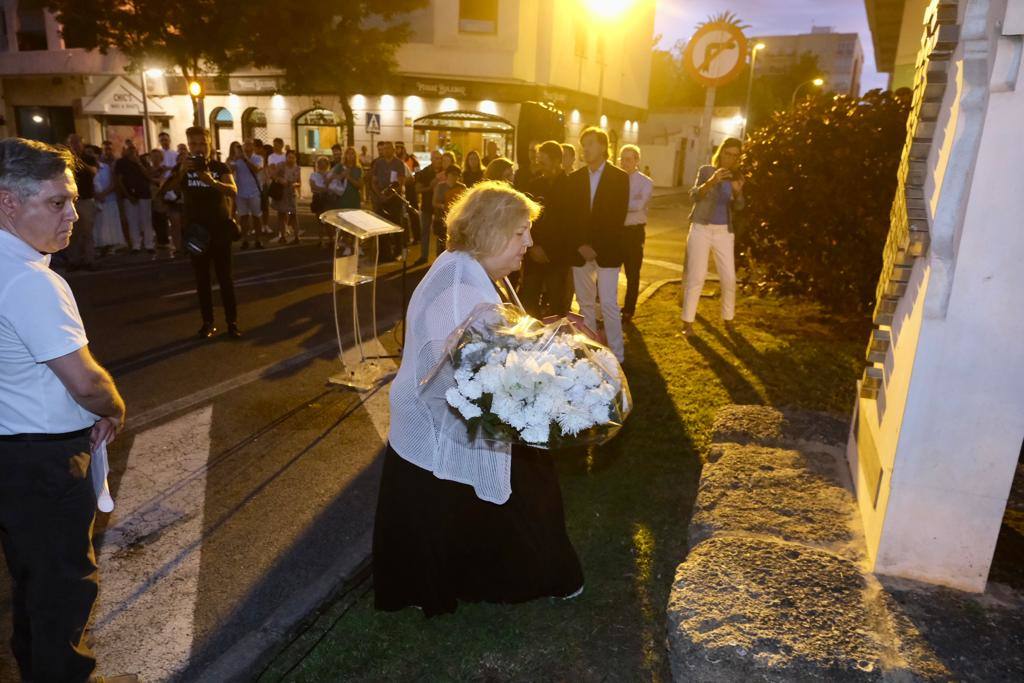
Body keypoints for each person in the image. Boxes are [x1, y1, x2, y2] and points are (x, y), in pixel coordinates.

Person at [373, 180, 583, 617]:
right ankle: (537, 576)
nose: (529, 242)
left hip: (448, 409)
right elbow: (477, 366)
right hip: (437, 416)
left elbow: (492, 341)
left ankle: (532, 572)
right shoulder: (461, 283)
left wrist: (548, 330)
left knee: (521, 480)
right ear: (490, 231)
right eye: (521, 232)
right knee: (526, 481)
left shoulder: (471, 269)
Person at [0, 138, 131, 683]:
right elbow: (85, 380)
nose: (73, 214)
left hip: (13, 457)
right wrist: (115, 407)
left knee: (33, 585)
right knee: (62, 590)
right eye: (57, 202)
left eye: (73, 200)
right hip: (44, 464)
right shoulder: (31, 281)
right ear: (8, 202)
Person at [162, 126, 241, 339]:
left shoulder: (218, 166)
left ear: (210, 144)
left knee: (225, 279)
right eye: (194, 144)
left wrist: (212, 181)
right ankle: (208, 323)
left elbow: (233, 190)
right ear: (188, 146)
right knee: (202, 280)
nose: (199, 148)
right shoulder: (183, 168)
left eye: (202, 143)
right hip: (196, 232)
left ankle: (232, 323)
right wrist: (182, 173)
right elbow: (167, 191)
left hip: (220, 229)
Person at [566, 126, 629, 362]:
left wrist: (597, 247)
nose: (585, 149)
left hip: (608, 251)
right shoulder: (576, 178)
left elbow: (616, 217)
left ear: (603, 146)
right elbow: (570, 217)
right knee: (585, 306)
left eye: (590, 143)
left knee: (609, 304)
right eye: (583, 144)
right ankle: (590, 353)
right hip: (579, 251)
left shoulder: (620, 178)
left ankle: (617, 357)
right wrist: (581, 244)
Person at [681, 137, 745, 335]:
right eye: (728, 154)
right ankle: (687, 322)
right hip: (701, 227)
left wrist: (738, 193)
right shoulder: (707, 170)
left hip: (724, 231)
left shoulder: (737, 176)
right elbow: (694, 195)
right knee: (696, 276)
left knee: (729, 278)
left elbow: (740, 206)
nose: (730, 159)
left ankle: (728, 318)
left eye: (735, 156)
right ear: (721, 152)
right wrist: (712, 181)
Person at [520, 140, 572, 318]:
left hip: (558, 257)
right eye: (538, 161)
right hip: (534, 254)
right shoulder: (534, 185)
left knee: (558, 306)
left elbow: (569, 224)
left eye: (543, 161)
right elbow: (528, 218)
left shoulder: (571, 186)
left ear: (557, 160)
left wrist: (549, 250)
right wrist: (533, 247)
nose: (539, 165)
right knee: (527, 303)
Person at [618, 144, 653, 325]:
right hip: (616, 232)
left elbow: (637, 207)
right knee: (608, 272)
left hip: (634, 233)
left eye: (629, 159)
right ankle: (606, 308)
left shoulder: (645, 182)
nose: (625, 163)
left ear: (637, 161)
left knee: (632, 274)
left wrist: (618, 206)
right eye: (622, 159)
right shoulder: (614, 180)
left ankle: (628, 311)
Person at [115, 142, 155, 254]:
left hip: (144, 194)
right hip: (129, 196)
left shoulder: (142, 160)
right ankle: (136, 245)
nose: (132, 151)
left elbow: (149, 176)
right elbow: (119, 180)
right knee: (132, 221)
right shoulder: (121, 162)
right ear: (125, 150)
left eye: (133, 149)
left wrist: (138, 163)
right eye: (129, 149)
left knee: (146, 220)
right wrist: (127, 195)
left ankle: (149, 245)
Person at [65, 134, 96, 270]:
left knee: (87, 232)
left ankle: (89, 260)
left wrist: (79, 160)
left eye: (78, 143)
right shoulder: (65, 159)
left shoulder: (89, 158)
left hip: (86, 199)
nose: (75, 145)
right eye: (72, 143)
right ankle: (74, 261)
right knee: (73, 233)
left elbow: (93, 171)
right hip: (71, 200)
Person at [230, 140, 265, 250]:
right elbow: (229, 170)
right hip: (241, 193)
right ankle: (245, 240)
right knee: (243, 217)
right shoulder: (237, 159)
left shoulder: (258, 158)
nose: (247, 147)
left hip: (254, 192)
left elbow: (256, 169)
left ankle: (258, 240)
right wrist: (234, 159)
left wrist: (245, 159)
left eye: (250, 145)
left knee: (256, 217)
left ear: (253, 147)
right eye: (245, 145)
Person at [93, 140, 124, 255]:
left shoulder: (108, 166)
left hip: (109, 198)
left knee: (111, 223)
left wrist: (104, 194)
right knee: (99, 225)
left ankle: (111, 245)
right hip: (96, 200)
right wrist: (97, 195)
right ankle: (100, 246)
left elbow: (113, 183)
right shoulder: (91, 168)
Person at [414, 150, 442, 265]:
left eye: (440, 158)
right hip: (427, 205)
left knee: (440, 232)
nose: (439, 161)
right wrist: (430, 187)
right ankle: (424, 256)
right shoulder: (425, 172)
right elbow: (417, 189)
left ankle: (439, 257)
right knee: (425, 231)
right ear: (431, 160)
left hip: (440, 206)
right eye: (436, 158)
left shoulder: (445, 171)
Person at [271, 150, 301, 245]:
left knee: (293, 215)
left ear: (295, 158)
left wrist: (295, 184)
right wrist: (280, 179)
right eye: (289, 157)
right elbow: (273, 176)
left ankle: (297, 236)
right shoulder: (281, 165)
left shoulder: (297, 168)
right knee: (281, 215)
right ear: (286, 157)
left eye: (293, 157)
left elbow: (299, 182)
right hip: (281, 193)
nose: (291, 159)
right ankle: (283, 235)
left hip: (291, 193)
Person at [309, 156, 332, 249]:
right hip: (318, 198)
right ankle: (320, 240)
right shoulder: (314, 175)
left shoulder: (330, 174)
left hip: (327, 199)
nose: (322, 165)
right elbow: (313, 187)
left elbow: (331, 186)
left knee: (329, 221)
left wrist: (322, 189)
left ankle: (331, 240)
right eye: (320, 163)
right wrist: (324, 189)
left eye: (324, 163)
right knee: (319, 220)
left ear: (327, 165)